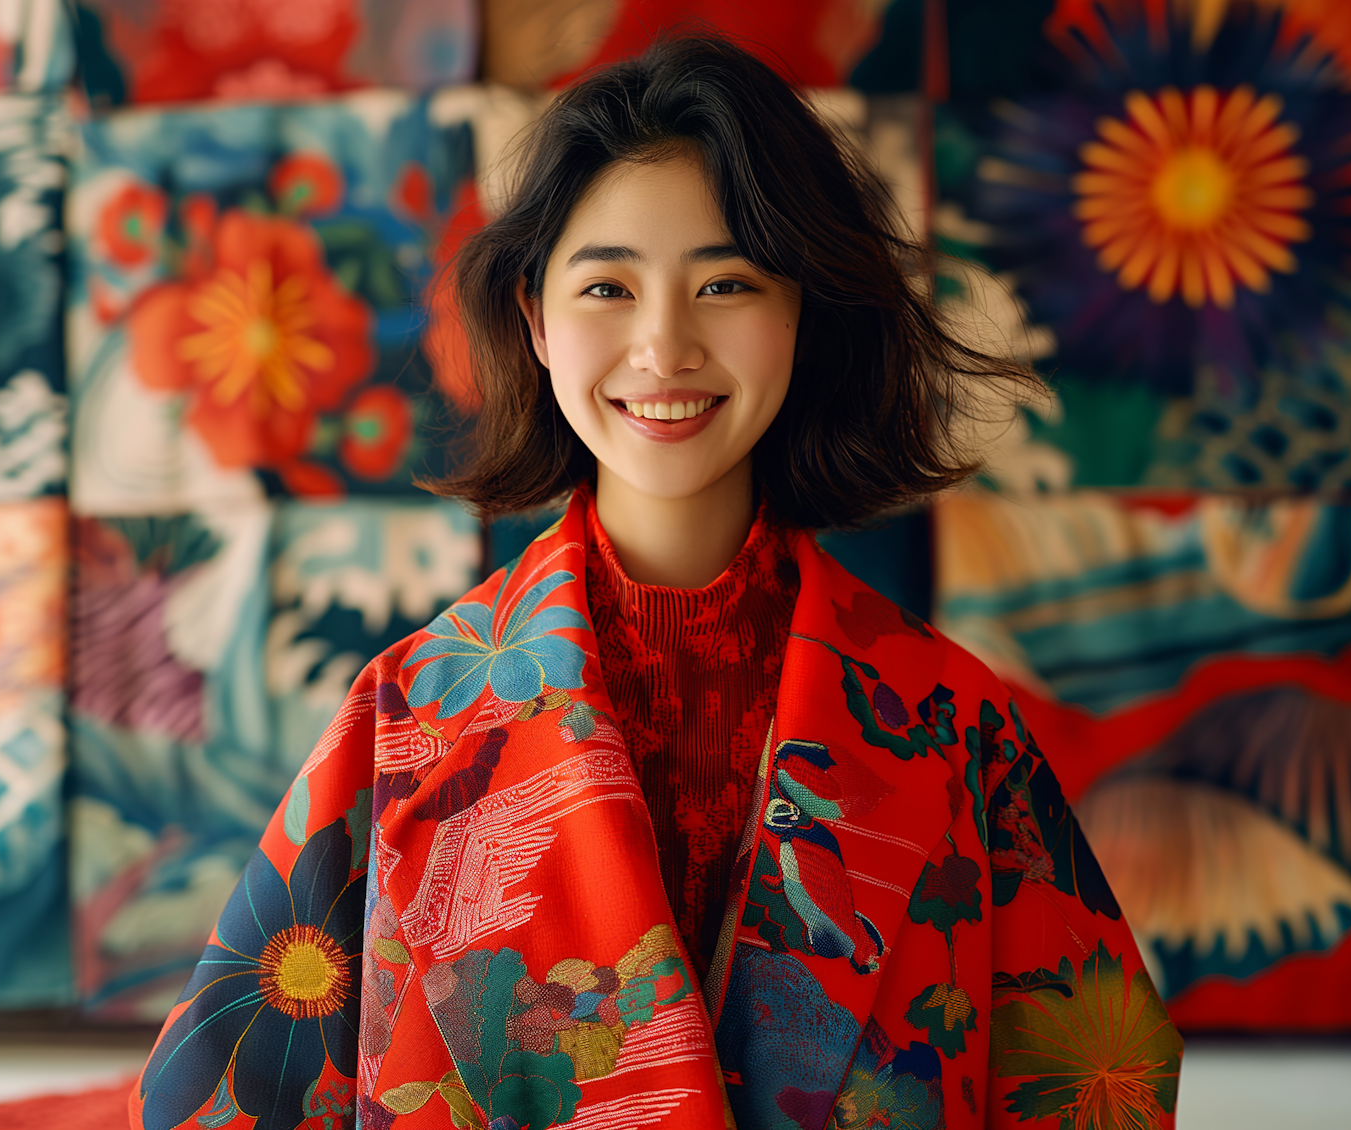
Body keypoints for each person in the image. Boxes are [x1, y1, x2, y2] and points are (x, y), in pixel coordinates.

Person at [132, 34, 1182, 1130]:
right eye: (609, 286)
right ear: (537, 318)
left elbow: (1103, 1087)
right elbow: (214, 1099)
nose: (664, 345)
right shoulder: (409, 720)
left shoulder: (954, 729)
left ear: (802, 316)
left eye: (726, 282)